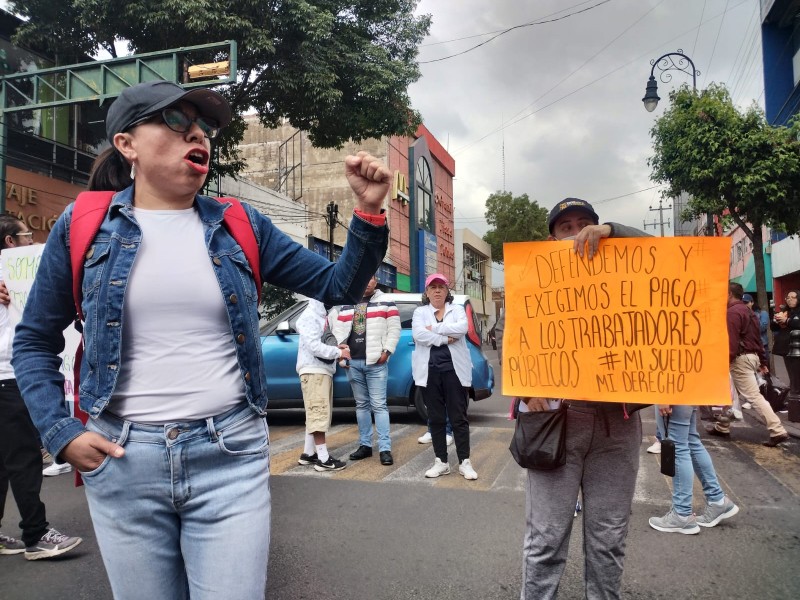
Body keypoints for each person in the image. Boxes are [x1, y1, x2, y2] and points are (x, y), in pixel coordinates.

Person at [11, 81, 389, 598]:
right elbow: (34, 340)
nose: (198, 134)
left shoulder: (241, 225)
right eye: (174, 122)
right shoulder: (84, 225)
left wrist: (368, 213)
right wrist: (61, 432)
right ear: (127, 145)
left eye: (204, 126)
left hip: (229, 456)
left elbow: (337, 286)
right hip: (122, 462)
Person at [496, 198, 649, 600]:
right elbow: (513, 343)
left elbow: (663, 253)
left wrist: (614, 230)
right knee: (546, 539)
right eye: (566, 227)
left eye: (585, 224)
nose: (577, 231)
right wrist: (528, 389)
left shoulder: (625, 275)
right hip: (555, 422)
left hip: (618, 423)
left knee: (609, 538)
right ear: (552, 238)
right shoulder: (532, 280)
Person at [0, 214, 82, 560]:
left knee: (5, 462)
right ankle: (35, 534)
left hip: (10, 374)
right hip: (9, 376)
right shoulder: (12, 273)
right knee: (24, 460)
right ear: (10, 243)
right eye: (26, 235)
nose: (31, 240)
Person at [411, 274, 477, 480]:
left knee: (459, 417)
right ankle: (441, 461)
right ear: (427, 292)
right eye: (433, 287)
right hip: (430, 372)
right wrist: (445, 339)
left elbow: (462, 329)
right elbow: (418, 335)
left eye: (441, 287)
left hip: (454, 372)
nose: (437, 290)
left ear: (447, 292)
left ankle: (465, 461)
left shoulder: (456, 310)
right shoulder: (420, 312)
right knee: (436, 418)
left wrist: (435, 329)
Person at [330, 275, 400, 466]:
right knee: (361, 405)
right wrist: (342, 352)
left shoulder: (386, 301)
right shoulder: (347, 302)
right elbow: (338, 330)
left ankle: (385, 449)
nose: (367, 281)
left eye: (371, 278)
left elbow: (395, 329)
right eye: (364, 277)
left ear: (376, 282)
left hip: (376, 363)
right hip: (354, 363)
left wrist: (387, 352)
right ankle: (365, 446)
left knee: (379, 406)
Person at [649, 404, 739, 534]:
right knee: (691, 441)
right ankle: (717, 499)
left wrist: (664, 397)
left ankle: (681, 514)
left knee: (676, 445)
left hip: (673, 389)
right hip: (689, 391)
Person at [719, 282, 789, 447]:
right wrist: (762, 361)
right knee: (729, 393)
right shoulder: (749, 312)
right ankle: (722, 425)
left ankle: (777, 429)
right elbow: (757, 339)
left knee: (753, 396)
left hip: (739, 359)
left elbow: (732, 342)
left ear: (729, 294)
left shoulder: (732, 313)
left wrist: (725, 361)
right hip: (751, 357)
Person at [295, 299, 349, 471]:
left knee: (315, 412)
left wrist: (336, 347)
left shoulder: (321, 315)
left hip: (320, 370)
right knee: (318, 413)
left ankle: (308, 453)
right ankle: (323, 459)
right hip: (314, 370)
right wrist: (339, 352)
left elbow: (320, 342)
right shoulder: (310, 316)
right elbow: (314, 347)